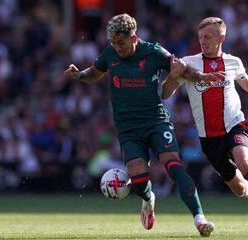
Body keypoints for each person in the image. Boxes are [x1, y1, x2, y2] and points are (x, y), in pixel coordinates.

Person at [64, 13, 218, 237]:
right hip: (128, 129)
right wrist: (79, 75)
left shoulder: (154, 52)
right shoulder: (110, 53)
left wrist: (203, 76)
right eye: (114, 43)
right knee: (138, 183)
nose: (117, 47)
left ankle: (200, 219)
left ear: (134, 39)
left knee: (174, 167)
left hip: (156, 121)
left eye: (121, 43)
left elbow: (181, 69)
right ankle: (148, 200)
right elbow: (94, 73)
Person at [161, 17, 248, 225]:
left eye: (207, 37)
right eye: (200, 38)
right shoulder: (189, 64)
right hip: (209, 137)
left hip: (235, 125)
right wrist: (172, 77)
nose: (203, 41)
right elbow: (165, 94)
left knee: (245, 162)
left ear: (221, 37)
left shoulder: (233, 62)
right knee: (240, 189)